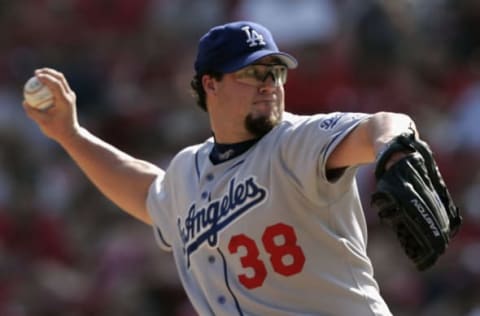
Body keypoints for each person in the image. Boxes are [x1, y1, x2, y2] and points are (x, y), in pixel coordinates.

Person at [23, 21, 420, 316]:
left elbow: (381, 124)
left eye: (274, 72)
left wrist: (394, 149)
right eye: (251, 73)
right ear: (210, 84)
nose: (269, 84)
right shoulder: (186, 172)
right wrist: (71, 135)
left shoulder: (298, 140)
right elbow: (146, 193)